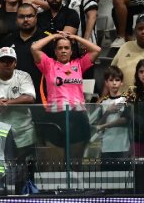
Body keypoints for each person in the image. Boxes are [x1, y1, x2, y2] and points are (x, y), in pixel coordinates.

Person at [31, 31, 100, 161]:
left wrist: (75, 37)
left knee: (75, 161)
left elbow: (97, 49)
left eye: (66, 48)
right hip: (55, 117)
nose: (63, 51)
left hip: (78, 117)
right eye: (60, 48)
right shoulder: (48, 64)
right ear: (55, 51)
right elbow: (34, 48)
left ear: (71, 51)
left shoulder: (78, 64)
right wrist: (54, 36)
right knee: (56, 162)